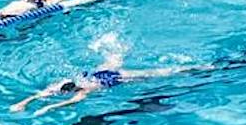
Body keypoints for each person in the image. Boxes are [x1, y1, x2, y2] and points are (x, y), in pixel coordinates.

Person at [11, 32, 201, 111]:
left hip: (117, 78)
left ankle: (195, 68)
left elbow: (66, 104)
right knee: (114, 58)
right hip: (100, 73)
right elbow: (39, 95)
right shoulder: (66, 82)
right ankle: (112, 39)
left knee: (158, 73)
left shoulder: (81, 92)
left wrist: (45, 108)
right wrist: (23, 103)